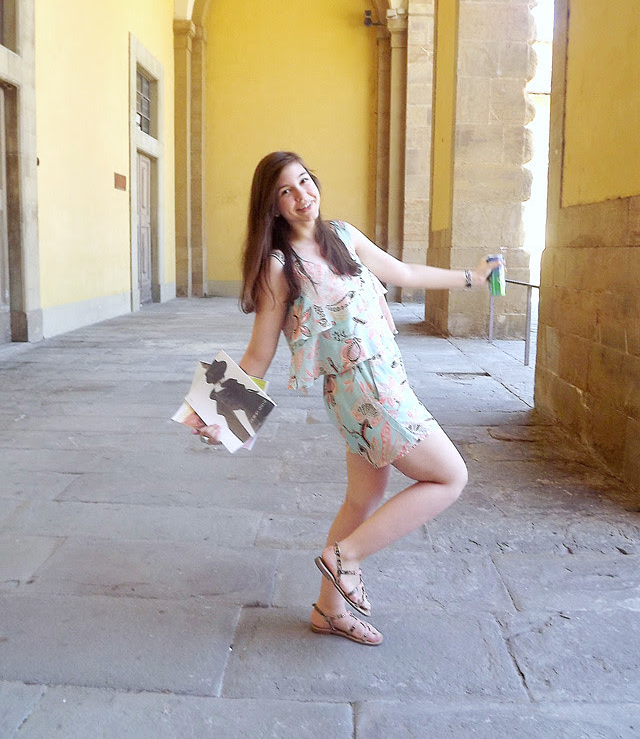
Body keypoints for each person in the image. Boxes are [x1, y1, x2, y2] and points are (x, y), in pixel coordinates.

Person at [193, 150, 500, 646]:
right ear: (272, 206)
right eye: (286, 191)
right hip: (368, 395)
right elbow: (258, 353)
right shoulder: (279, 266)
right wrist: (218, 418)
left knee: (363, 498)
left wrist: (472, 278)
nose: (302, 196)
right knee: (450, 476)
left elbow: (403, 273)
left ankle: (328, 610)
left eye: (304, 181)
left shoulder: (343, 235)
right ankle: (345, 558)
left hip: (383, 382)